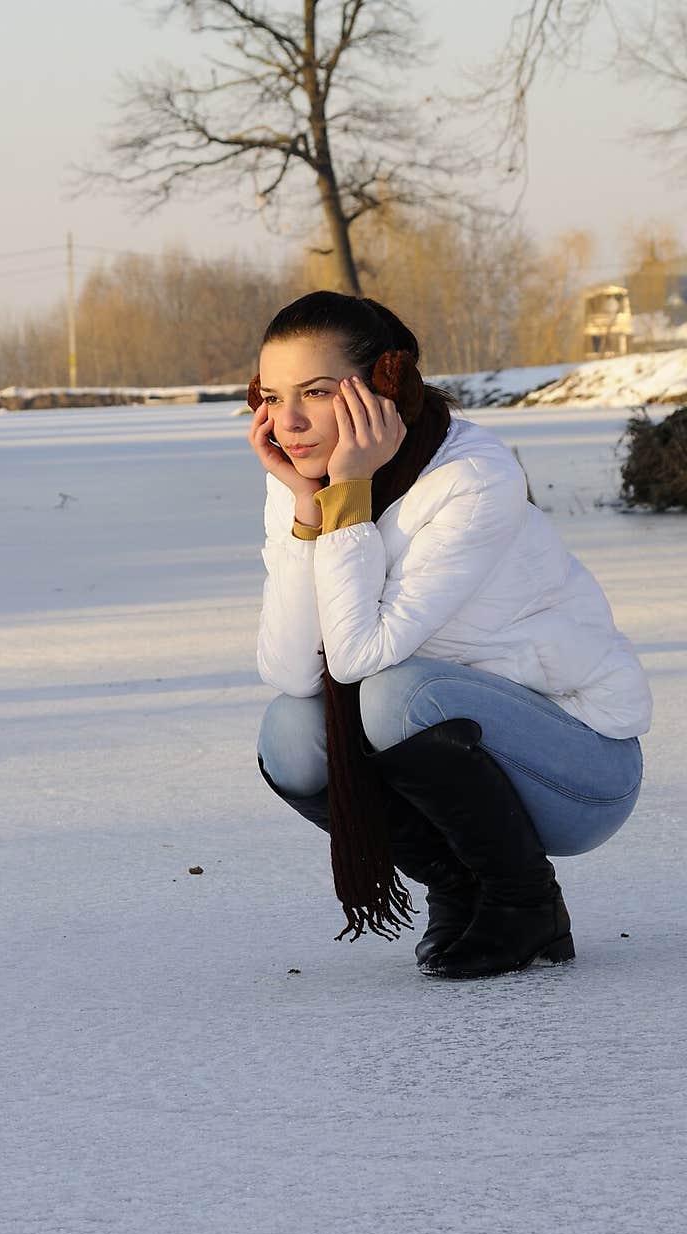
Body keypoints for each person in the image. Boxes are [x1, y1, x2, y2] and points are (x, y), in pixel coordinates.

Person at [247, 291, 652, 980]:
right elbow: (293, 671)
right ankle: (462, 888)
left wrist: (346, 490)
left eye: (314, 392)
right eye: (271, 395)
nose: (288, 422)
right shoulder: (306, 481)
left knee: (391, 695)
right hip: (460, 730)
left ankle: (528, 903)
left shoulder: (471, 476)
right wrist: (309, 510)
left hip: (583, 770)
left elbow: (356, 656)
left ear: (384, 384)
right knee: (289, 733)